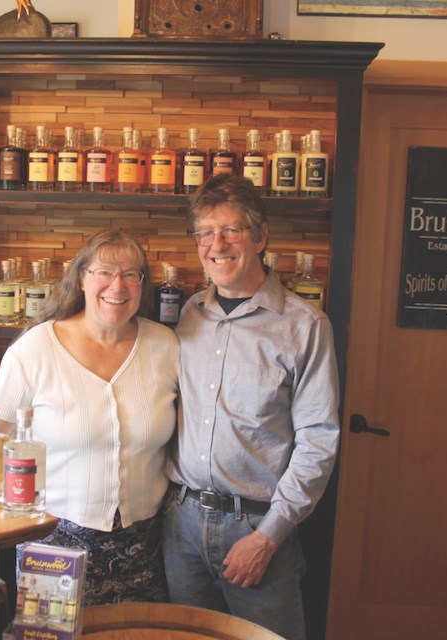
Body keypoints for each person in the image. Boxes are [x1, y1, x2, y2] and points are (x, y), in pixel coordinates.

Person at [163, 174, 340, 640]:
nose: (216, 244)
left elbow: (319, 440)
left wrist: (268, 538)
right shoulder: (188, 315)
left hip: (258, 526)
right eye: (205, 232)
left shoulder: (305, 326)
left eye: (231, 230)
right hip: (179, 523)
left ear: (260, 237)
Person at [0, 229, 179, 605]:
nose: (118, 285)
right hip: (54, 544)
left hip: (144, 546)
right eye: (104, 272)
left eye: (132, 274)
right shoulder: (36, 349)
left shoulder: (166, 346)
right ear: (80, 277)